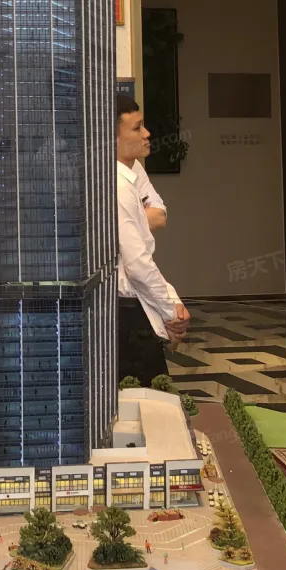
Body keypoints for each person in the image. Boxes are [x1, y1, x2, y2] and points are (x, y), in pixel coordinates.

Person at [116, 95, 188, 384]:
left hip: (133, 307)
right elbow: (137, 264)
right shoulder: (118, 187)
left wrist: (172, 306)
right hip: (127, 313)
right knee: (149, 399)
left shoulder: (132, 174)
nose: (147, 134)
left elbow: (159, 215)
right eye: (137, 128)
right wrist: (172, 311)